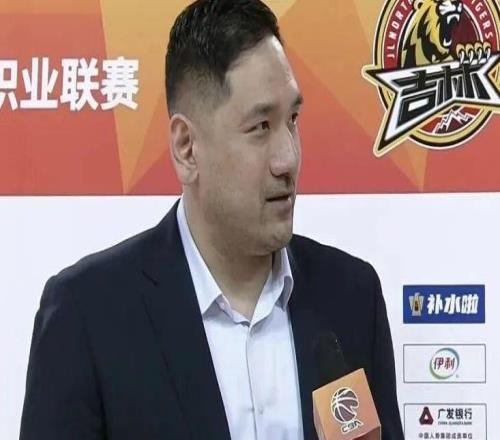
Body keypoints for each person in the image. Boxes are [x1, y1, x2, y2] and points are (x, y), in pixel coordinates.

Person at [19, 1, 404, 439]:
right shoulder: (88, 314)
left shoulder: (352, 297)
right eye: (260, 126)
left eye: (292, 120)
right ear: (187, 148)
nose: (288, 158)